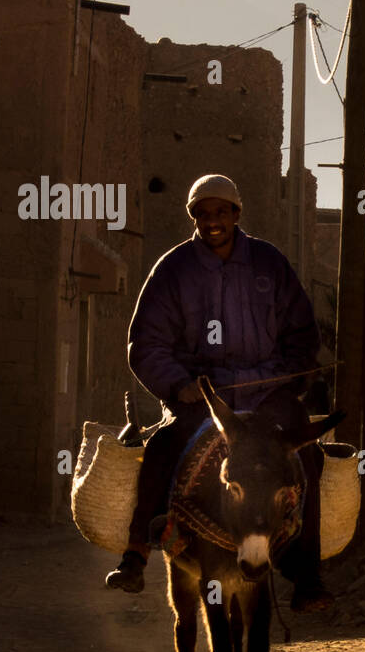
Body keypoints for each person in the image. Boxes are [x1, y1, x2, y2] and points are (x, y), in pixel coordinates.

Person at [104, 173, 330, 606]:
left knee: (306, 454)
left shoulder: (270, 263)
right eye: (203, 214)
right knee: (163, 445)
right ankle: (135, 554)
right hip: (202, 395)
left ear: (236, 214)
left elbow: (302, 337)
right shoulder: (173, 269)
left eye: (221, 212)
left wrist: (281, 376)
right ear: (194, 217)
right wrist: (179, 385)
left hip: (267, 395)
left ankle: (307, 575)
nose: (212, 221)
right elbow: (145, 343)